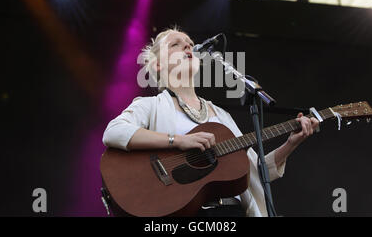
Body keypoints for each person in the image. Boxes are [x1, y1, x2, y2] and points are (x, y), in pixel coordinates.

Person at [102, 27, 319, 217]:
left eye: (190, 44)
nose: (188, 47)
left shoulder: (221, 115)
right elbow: (114, 132)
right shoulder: (150, 105)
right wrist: (178, 141)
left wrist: (291, 143)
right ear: (158, 65)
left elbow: (257, 172)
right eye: (176, 45)